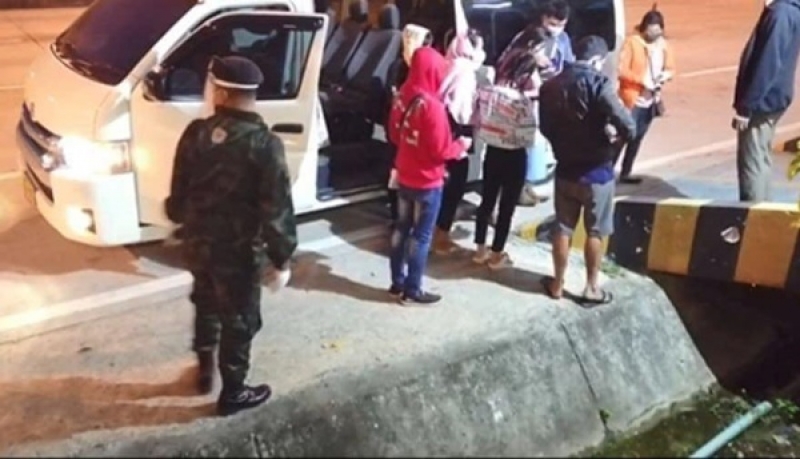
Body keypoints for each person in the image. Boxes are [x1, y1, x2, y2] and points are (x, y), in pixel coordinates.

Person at [165, 56, 298, 416]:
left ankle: (204, 369)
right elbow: (277, 209)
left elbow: (178, 194)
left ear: (221, 92)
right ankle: (234, 392)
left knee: (205, 303)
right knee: (239, 320)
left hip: (197, 243)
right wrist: (282, 257)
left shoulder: (195, 133)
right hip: (237, 253)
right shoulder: (264, 144)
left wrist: (180, 219)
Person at [538, 36, 636, 305]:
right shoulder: (599, 84)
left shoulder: (550, 85)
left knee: (563, 227)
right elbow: (629, 126)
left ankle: (557, 284)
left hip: (565, 170)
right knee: (595, 231)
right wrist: (612, 140)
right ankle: (591, 288)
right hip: (597, 172)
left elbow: (545, 127)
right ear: (596, 59)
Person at [387, 47, 471, 304]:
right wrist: (461, 146)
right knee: (422, 236)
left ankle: (396, 282)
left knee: (401, 229)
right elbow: (441, 151)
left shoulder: (403, 94)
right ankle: (412, 290)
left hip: (404, 173)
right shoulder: (433, 106)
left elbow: (394, 134)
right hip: (427, 180)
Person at [472, 27, 550, 270]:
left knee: (487, 201)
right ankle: (497, 255)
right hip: (514, 156)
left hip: (492, 151)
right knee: (506, 207)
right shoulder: (521, 101)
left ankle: (479, 250)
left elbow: (478, 120)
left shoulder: (490, 92)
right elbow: (529, 136)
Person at [732, 0, 800, 202]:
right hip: (773, 97)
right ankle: (764, 210)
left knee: (752, 162)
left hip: (763, 101)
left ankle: (754, 213)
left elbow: (767, 63)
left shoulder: (780, 14)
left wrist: (747, 106)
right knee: (761, 158)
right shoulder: (788, 11)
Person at [432, 29, 486, 255]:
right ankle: (441, 235)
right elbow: (462, 111)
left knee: (439, 182)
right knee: (455, 184)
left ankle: (432, 229)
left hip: (440, 128)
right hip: (456, 132)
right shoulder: (465, 72)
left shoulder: (449, 63)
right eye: (479, 46)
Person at [615, 7, 676, 184]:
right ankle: (608, 170)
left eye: (658, 30)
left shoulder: (663, 46)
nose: (654, 34)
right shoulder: (632, 43)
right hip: (632, 98)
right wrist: (642, 81)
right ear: (644, 27)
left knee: (638, 137)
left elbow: (671, 67)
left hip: (650, 100)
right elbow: (622, 70)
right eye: (651, 30)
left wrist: (665, 76)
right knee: (623, 136)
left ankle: (626, 171)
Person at [385, 24, 434, 224]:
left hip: (398, 130)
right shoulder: (412, 69)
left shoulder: (397, 65)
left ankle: (398, 218)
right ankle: (402, 219)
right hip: (410, 133)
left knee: (398, 175)